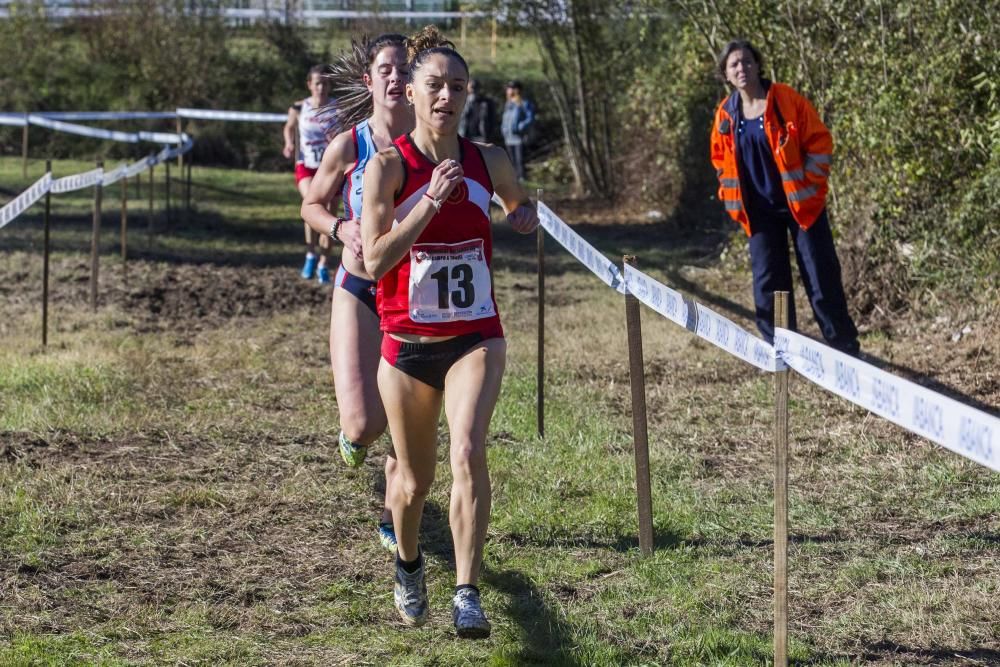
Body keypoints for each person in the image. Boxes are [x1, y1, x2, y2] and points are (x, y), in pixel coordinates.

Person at [361, 26, 538, 638]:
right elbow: (376, 261)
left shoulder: (487, 158)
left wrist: (522, 216)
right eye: (434, 85)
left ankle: (466, 591)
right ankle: (409, 566)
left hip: (475, 337)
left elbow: (517, 203)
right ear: (410, 92)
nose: (446, 96)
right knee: (413, 484)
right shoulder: (386, 168)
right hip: (407, 347)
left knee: (467, 450)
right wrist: (429, 203)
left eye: (457, 87)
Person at [300, 35, 414, 553]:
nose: (395, 77)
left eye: (403, 70)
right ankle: (353, 435)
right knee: (367, 421)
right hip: (360, 287)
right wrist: (339, 227)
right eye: (385, 69)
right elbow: (311, 205)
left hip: (415, 297)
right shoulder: (350, 144)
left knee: (405, 419)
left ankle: (394, 521)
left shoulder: (432, 145)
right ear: (369, 81)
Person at [709, 39, 860, 355]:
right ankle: (780, 350)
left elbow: (820, 143)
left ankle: (844, 348)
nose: (742, 68)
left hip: (801, 206)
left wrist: (811, 183)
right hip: (758, 213)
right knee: (769, 284)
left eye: (747, 61)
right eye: (734, 64)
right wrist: (728, 195)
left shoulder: (786, 100)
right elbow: (720, 160)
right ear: (725, 73)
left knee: (820, 278)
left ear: (757, 65)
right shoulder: (726, 115)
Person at [284, 65, 338, 284]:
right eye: (317, 83)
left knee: (329, 216)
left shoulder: (338, 108)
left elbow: (349, 132)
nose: (321, 87)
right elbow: (288, 127)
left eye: (325, 83)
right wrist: (288, 143)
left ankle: (324, 264)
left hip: (332, 167)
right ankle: (310, 254)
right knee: (312, 205)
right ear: (309, 85)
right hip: (307, 165)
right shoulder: (299, 107)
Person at [500, 80, 535, 180]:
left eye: (509, 88)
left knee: (520, 160)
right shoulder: (508, 104)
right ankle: (514, 180)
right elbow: (505, 118)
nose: (508, 91)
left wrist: (520, 127)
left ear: (516, 90)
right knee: (511, 160)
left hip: (519, 137)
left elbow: (530, 118)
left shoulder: (524, 103)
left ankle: (522, 180)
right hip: (508, 137)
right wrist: (503, 129)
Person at [459, 78, 497, 143]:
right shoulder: (462, 101)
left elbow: (492, 120)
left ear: (479, 88)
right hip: (465, 136)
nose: (473, 89)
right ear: (467, 87)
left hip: (481, 137)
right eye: (472, 87)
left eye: (475, 87)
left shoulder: (487, 103)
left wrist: (489, 136)